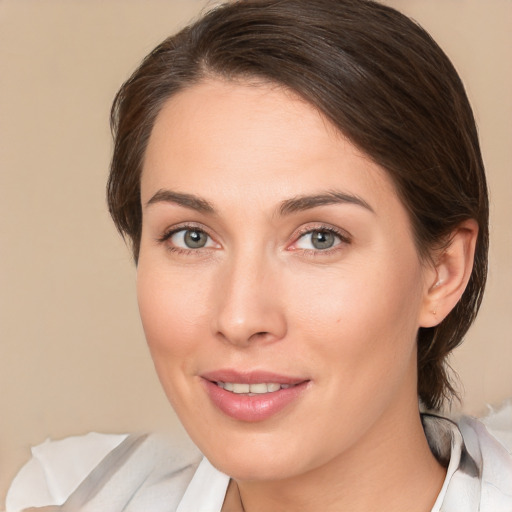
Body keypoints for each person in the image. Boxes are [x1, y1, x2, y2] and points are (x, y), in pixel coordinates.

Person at [6, 0, 512, 510]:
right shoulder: (68, 492)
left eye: (320, 238)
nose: (240, 317)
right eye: (191, 237)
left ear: (442, 273)